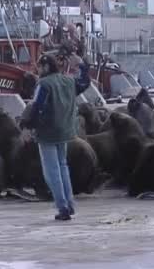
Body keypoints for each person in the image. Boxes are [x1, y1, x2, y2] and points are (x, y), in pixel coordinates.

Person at [25, 54, 91, 221]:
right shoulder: (68, 81)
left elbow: (37, 107)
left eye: (39, 67)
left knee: (51, 171)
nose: (37, 71)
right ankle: (70, 204)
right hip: (66, 131)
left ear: (45, 67)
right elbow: (84, 83)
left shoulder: (44, 84)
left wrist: (27, 127)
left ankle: (62, 208)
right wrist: (83, 66)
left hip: (47, 133)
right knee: (63, 167)